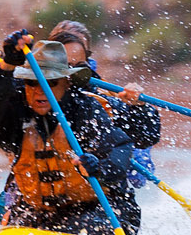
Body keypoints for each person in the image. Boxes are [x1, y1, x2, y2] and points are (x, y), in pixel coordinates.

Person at [0, 36, 141, 235]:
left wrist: (99, 168)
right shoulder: (16, 114)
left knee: (78, 227)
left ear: (66, 83)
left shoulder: (86, 111)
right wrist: (7, 66)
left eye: (51, 83)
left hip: (101, 210)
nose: (39, 91)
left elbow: (121, 148)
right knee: (15, 233)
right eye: (32, 83)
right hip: (39, 212)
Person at [44, 19, 162, 187]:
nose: (73, 54)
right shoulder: (32, 87)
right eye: (65, 54)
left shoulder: (96, 95)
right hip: (47, 179)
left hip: (93, 178)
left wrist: (138, 107)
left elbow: (145, 135)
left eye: (79, 50)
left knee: (135, 173)